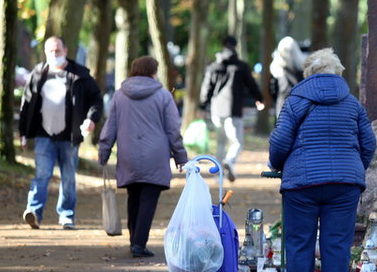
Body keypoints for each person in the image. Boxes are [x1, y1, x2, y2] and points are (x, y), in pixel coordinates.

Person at [268, 48, 376, 272]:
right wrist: (352, 169)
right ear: (337, 73)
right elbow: (369, 144)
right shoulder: (352, 104)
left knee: (298, 243)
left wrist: (279, 165)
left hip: (301, 184)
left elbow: (280, 142)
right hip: (344, 185)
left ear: (308, 74)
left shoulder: (295, 101)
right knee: (337, 244)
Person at [98, 56, 188, 258]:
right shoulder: (164, 96)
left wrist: (104, 151)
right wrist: (181, 157)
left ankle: (134, 241)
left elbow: (110, 126)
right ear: (153, 72)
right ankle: (139, 243)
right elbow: (173, 130)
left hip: (128, 154)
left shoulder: (120, 95)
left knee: (134, 196)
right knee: (148, 198)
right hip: (155, 155)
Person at [19, 36, 102, 230]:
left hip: (69, 136)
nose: (54, 55)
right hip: (43, 136)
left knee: (68, 176)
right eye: (50, 51)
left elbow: (96, 100)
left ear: (65, 51)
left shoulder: (80, 75)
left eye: (57, 51)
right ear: (45, 53)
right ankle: (34, 212)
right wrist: (23, 132)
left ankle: (66, 215)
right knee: (42, 174)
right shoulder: (37, 74)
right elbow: (26, 104)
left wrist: (91, 119)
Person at [199, 35, 265, 181]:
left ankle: (219, 175)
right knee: (237, 142)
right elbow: (251, 85)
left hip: (216, 110)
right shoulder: (241, 66)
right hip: (233, 109)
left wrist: (203, 105)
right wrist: (260, 99)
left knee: (221, 143)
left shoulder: (213, 66)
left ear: (222, 46)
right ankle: (230, 161)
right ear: (236, 46)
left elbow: (206, 87)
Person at [269, 36, 305, 118]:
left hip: (282, 107)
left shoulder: (276, 70)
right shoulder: (302, 70)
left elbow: (272, 90)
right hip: (300, 106)